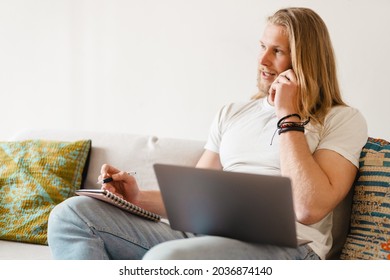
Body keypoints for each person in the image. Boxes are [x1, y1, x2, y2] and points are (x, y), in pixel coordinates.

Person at [47, 7, 367, 260]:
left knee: (168, 260)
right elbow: (196, 203)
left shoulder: (342, 119)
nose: (262, 60)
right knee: (71, 216)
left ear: (304, 60)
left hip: (290, 249)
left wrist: (288, 114)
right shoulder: (233, 113)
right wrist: (136, 196)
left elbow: (309, 208)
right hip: (207, 238)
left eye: (277, 51)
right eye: (261, 47)